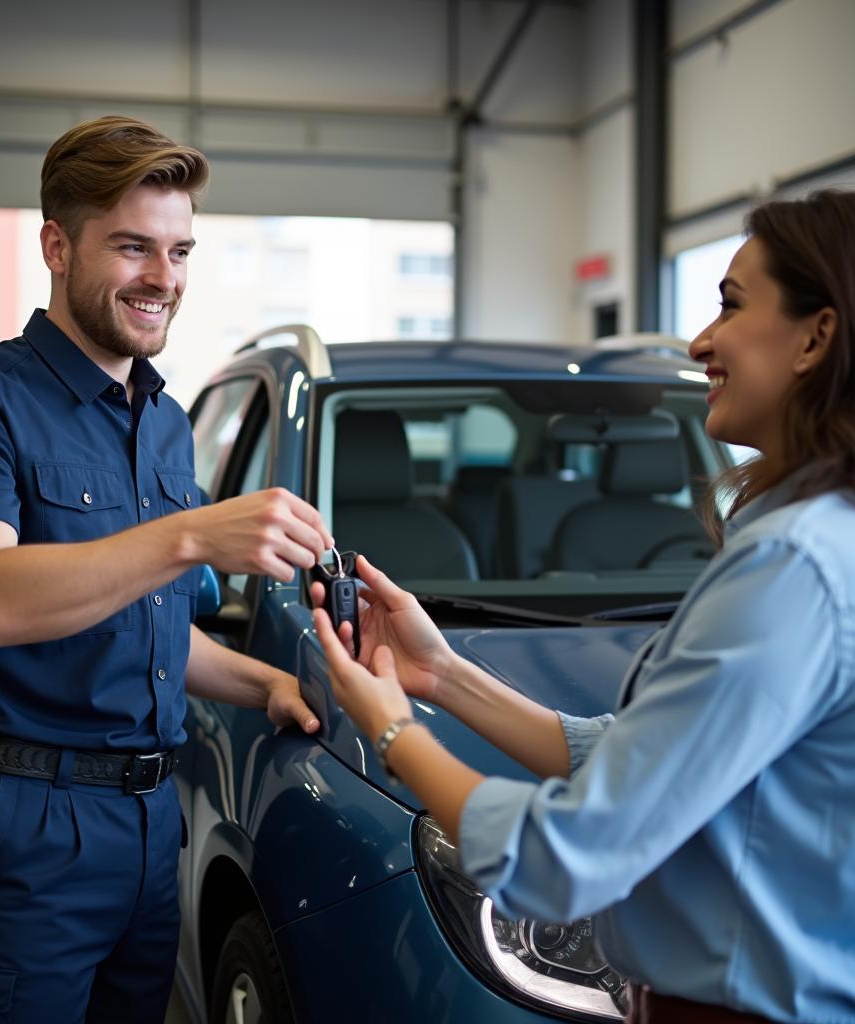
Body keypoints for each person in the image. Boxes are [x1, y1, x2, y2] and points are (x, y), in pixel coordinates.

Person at [314, 189, 855, 1023]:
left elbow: (570, 856)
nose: (700, 340)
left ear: (817, 336)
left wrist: (391, 732)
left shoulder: (791, 566)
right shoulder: (822, 538)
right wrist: (446, 675)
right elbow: (651, 753)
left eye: (732, 305)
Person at [0, 115, 333, 1023]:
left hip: (148, 827)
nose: (163, 278)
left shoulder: (164, 424)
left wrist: (271, 684)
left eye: (179, 251)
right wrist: (192, 538)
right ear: (56, 245)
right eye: (133, 246)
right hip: (22, 830)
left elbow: (147, 627)